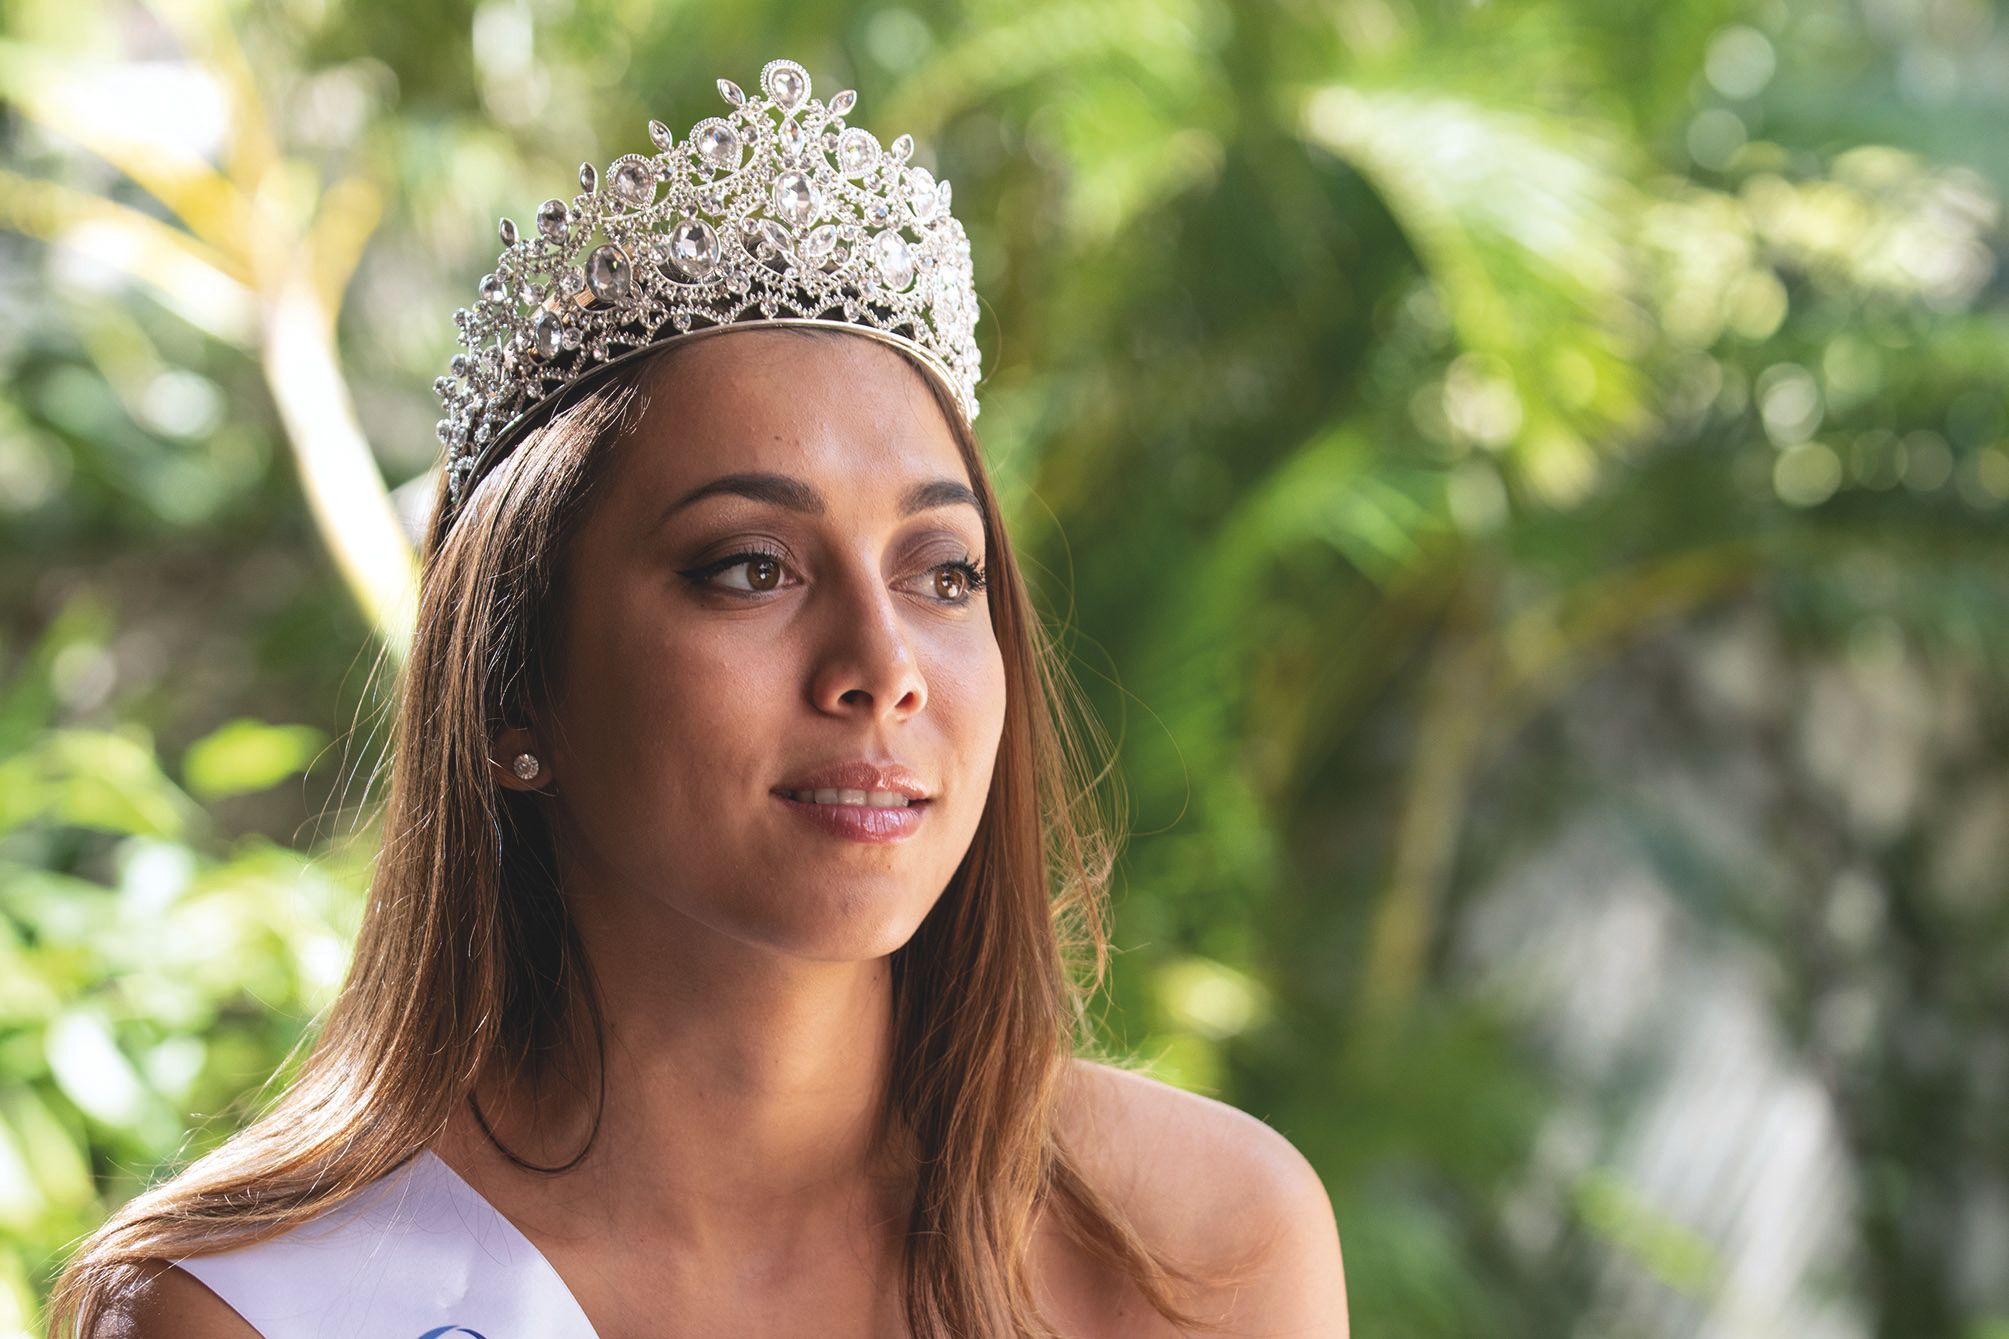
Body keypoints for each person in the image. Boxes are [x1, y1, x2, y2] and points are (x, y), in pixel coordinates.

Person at [46, 57, 1347, 1339]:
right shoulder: (250, 1312)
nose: (882, 665)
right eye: (750, 569)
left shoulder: (1198, 1251)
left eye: (943, 574)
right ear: (513, 695)